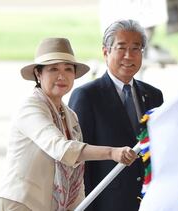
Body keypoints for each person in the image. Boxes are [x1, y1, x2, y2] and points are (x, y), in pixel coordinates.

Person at [0, 37, 137, 211]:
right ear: (39, 74)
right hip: (19, 204)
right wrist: (112, 152)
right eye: (53, 69)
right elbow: (62, 149)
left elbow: (76, 173)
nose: (62, 76)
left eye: (68, 69)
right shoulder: (30, 107)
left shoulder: (70, 115)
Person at [69, 19, 164, 211]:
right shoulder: (87, 96)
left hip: (148, 203)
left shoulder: (154, 95)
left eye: (136, 49)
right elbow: (78, 158)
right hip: (106, 203)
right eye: (121, 48)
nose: (129, 56)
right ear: (106, 52)